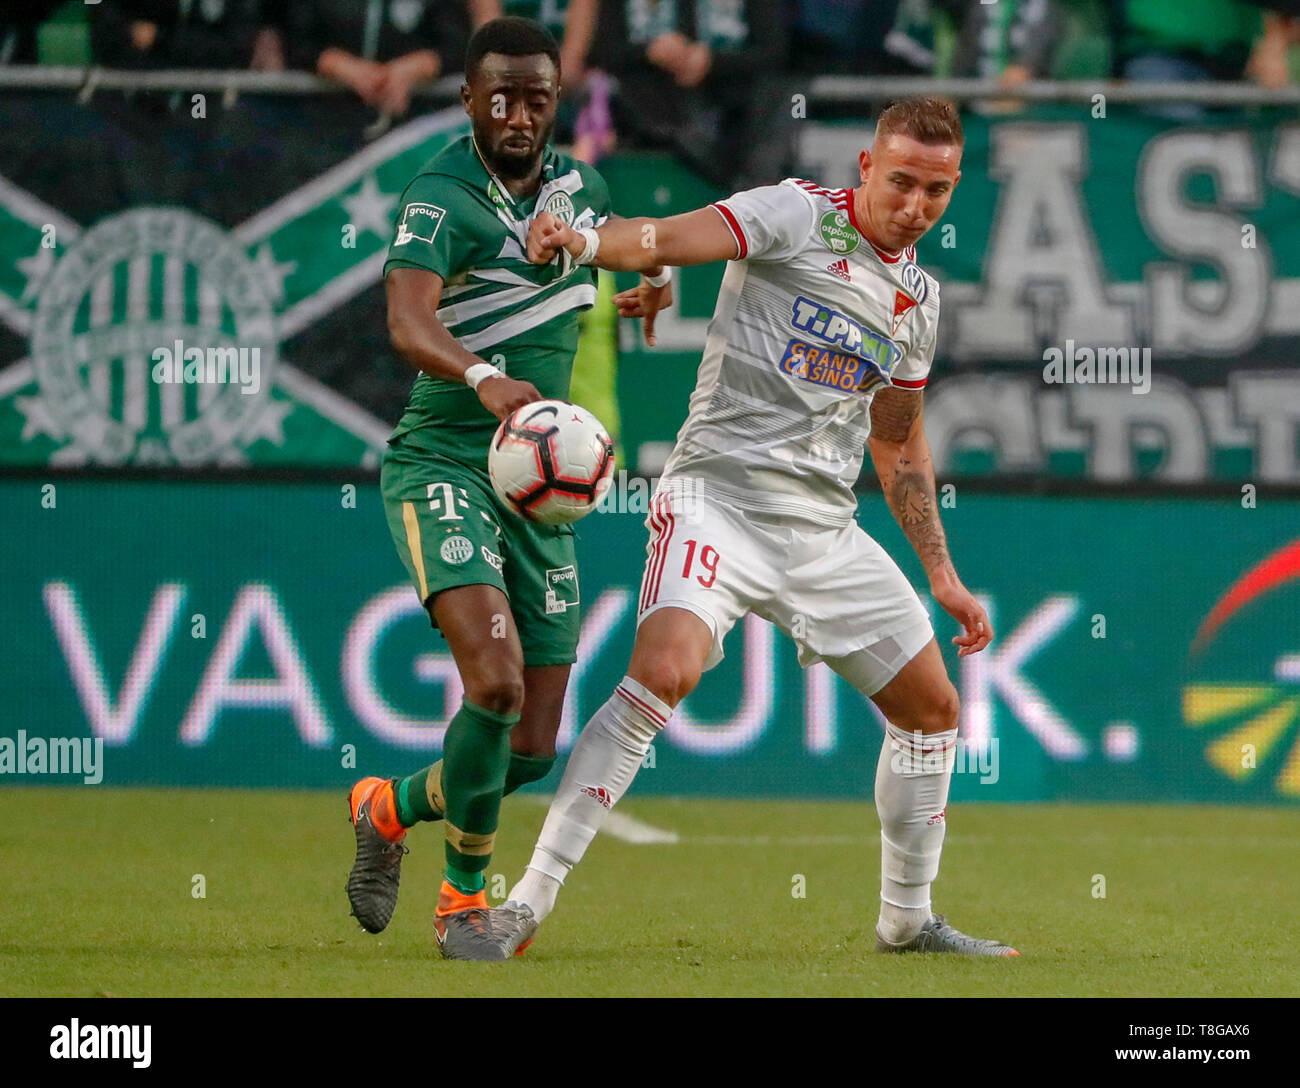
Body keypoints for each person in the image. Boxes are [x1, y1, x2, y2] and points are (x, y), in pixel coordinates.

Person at [484, 96, 1019, 959]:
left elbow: (897, 444)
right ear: (866, 171)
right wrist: (587, 243)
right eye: (902, 182)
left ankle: (907, 920)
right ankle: (524, 906)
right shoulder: (795, 214)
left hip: (822, 528)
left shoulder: (917, 300)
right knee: (664, 670)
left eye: (937, 191)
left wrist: (941, 573)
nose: (916, 204)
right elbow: (664, 239)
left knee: (932, 711)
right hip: (718, 501)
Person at [345, 16, 668, 961]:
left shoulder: (582, 189)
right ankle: (462, 903)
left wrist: (646, 289)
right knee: (489, 684)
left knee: (526, 748)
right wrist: (483, 376)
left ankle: (388, 807)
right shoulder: (443, 195)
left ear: (555, 100)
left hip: (538, 487)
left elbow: (615, 263)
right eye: (500, 95)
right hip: (446, 459)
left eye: (535, 96)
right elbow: (407, 323)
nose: (518, 112)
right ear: (469, 99)